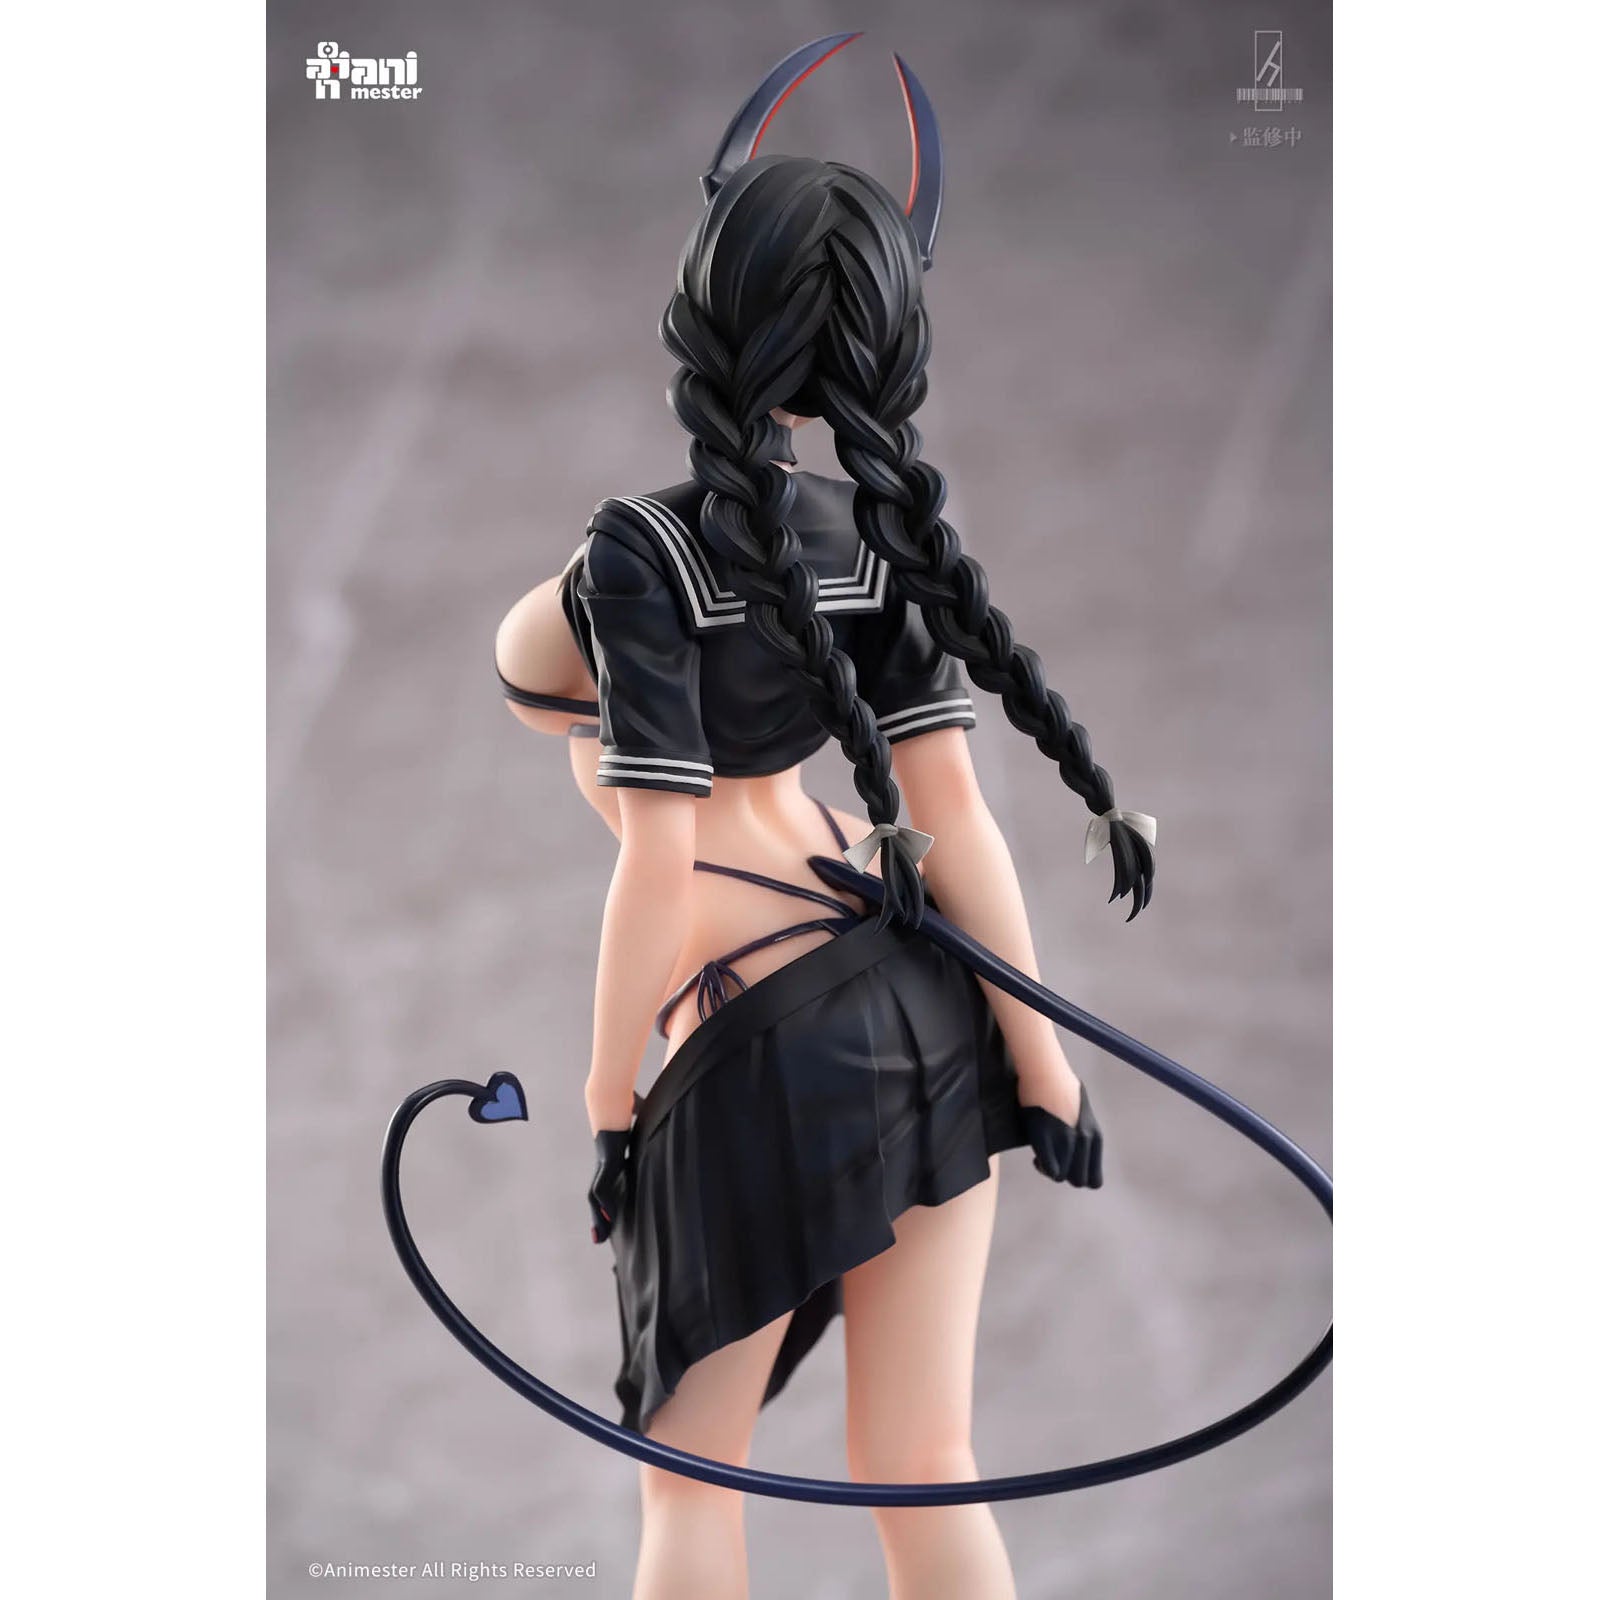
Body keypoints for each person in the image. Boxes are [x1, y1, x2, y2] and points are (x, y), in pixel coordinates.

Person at [494, 142, 1152, 1600]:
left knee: (693, 1484)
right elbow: (959, 823)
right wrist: (1042, 1063)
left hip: (750, 1039)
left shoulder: (637, 554)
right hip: (923, 1008)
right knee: (925, 1458)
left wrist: (609, 1101)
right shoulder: (881, 542)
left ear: (701, 314)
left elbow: (656, 862)